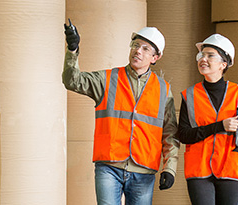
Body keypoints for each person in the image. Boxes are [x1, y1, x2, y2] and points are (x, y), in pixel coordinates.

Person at [63, 19, 179, 204]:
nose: (138, 51)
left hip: (144, 170)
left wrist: (170, 168)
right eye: (135, 45)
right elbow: (72, 80)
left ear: (155, 57)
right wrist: (72, 50)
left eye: (145, 49)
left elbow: (170, 132)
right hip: (109, 167)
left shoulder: (163, 90)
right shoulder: (107, 79)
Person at [178, 34, 238, 205]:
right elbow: (183, 135)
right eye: (201, 55)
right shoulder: (189, 95)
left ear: (224, 64)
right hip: (198, 169)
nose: (203, 59)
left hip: (230, 168)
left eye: (210, 55)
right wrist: (219, 126)